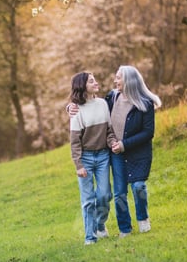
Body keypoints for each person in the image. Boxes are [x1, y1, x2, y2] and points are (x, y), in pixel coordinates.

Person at [68, 65, 161, 238]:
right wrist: (70, 107)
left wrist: (124, 144)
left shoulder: (145, 104)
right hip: (115, 152)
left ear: (129, 80)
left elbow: (149, 132)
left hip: (137, 152)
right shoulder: (112, 97)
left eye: (118, 77)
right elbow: (89, 105)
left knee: (138, 186)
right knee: (119, 193)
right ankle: (125, 229)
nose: (114, 80)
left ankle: (143, 219)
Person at [69, 72, 118, 245]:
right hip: (86, 159)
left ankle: (100, 224)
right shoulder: (76, 110)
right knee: (88, 200)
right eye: (91, 81)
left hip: (104, 156)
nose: (96, 83)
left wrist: (112, 142)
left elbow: (109, 131)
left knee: (105, 195)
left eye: (95, 80)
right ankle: (90, 237)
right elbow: (74, 141)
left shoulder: (103, 104)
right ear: (83, 86)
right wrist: (78, 165)